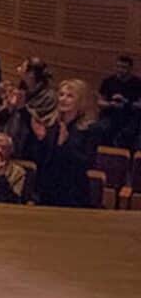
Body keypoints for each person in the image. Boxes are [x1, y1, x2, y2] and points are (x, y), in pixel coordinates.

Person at [28, 79, 97, 207]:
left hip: (73, 192)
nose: (63, 99)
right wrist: (40, 139)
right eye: (61, 94)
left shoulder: (88, 129)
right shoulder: (51, 124)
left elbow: (86, 162)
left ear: (80, 101)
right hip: (48, 189)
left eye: (69, 96)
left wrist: (64, 144)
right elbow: (40, 160)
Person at [96, 55, 141, 148]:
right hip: (110, 114)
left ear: (130, 68)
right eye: (118, 66)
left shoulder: (138, 83)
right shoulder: (108, 81)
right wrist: (110, 104)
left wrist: (126, 102)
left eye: (124, 67)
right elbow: (99, 102)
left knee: (129, 133)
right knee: (100, 128)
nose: (120, 70)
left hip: (130, 116)